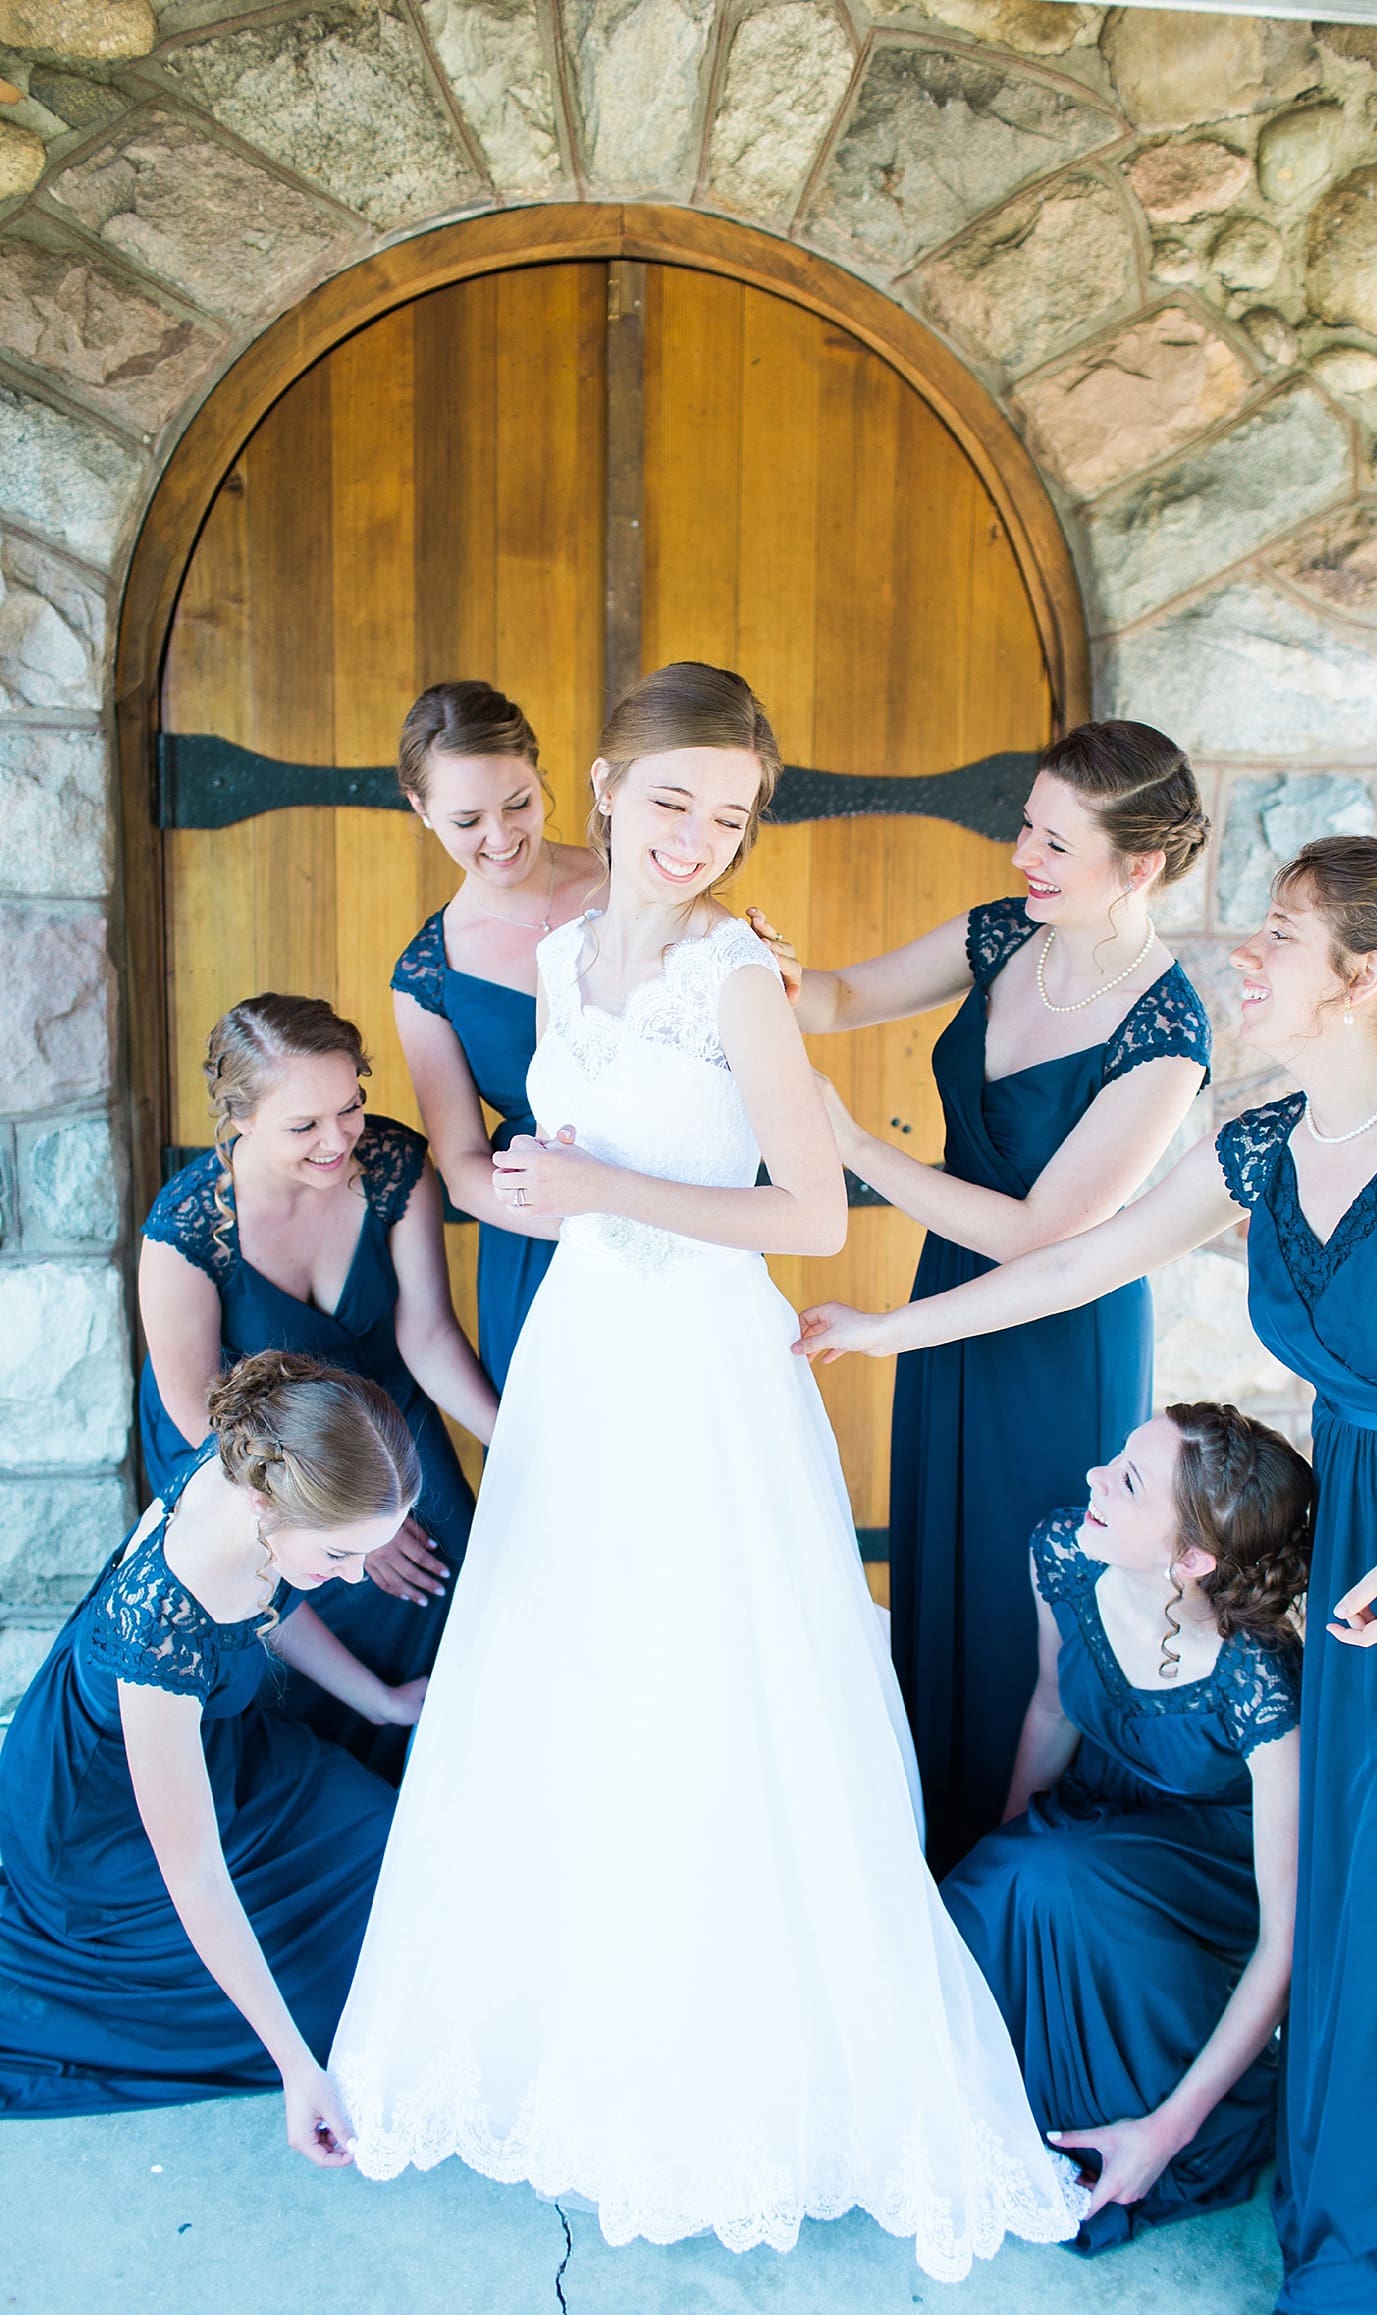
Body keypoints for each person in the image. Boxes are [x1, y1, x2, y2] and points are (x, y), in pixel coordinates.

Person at [329, 663, 1085, 2280]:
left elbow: (807, 1218)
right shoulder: (549, 954)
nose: (695, 838)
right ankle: (571, 2052)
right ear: (605, 783)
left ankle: (726, 2080)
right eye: (671, 800)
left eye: (729, 815)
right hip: (586, 1362)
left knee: (707, 1691)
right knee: (572, 1684)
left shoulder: (738, 973)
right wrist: (551, 1193)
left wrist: (599, 1186)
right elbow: (518, 1153)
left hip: (698, 1377)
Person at [798, 834, 1377, 2315]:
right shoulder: (1265, 1141)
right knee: (1343, 1885)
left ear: (1361, 981)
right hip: (1362, 1542)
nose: (1243, 957)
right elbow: (1075, 1260)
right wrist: (887, 1331)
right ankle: (1341, 2197)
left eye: (1278, 935)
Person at [753, 721, 1211, 1869]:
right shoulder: (1006, 933)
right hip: (944, 1302)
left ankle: (1003, 1862)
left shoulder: (1169, 1033)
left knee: (1029, 1601)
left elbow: (1041, 1232)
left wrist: (854, 1141)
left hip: (1057, 1327)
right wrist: (751, 958)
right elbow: (841, 993)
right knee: (941, 1569)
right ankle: (923, 1844)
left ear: (1140, 866)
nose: (1024, 857)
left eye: (1056, 842)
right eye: (1025, 827)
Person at [0, 1351, 422, 2152]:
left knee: (397, 1857)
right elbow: (191, 1874)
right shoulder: (158, 1627)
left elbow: (269, 1595)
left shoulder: (266, 1461)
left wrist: (378, 1698)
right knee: (336, 2003)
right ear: (265, 1507)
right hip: (104, 1827)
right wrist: (298, 2068)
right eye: (340, 1555)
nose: (360, 1578)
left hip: (217, 1750)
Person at [943, 1403, 1312, 2253]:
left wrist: (1168, 2131)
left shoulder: (1258, 1682)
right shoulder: (1063, 1551)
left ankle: (1155, 2121)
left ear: (1190, 1557)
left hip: (1206, 1869)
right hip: (1090, 1817)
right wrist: (997, 1865)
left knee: (1055, 1881)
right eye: (1117, 1458)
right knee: (992, 1896)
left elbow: (1285, 1944)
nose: (1092, 1479)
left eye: (1127, 1481)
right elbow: (1050, 1704)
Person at [138, 995, 499, 1777]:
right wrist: (346, 1517)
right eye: (303, 1125)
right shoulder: (184, 1232)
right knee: (311, 1613)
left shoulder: (395, 1164)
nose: (337, 1139)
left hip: (383, 1412)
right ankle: (318, 1809)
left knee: (452, 1576)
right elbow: (196, 1412)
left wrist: (518, 1444)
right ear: (237, 1116)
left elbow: (428, 1334)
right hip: (252, 1456)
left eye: (350, 1107)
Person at [392, 682, 598, 1392]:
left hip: (683, 1212)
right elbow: (461, 1162)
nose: (501, 836)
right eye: (466, 819)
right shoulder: (428, 975)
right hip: (542, 1245)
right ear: (420, 809)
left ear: (540, 778)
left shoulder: (636, 886)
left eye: (517, 803)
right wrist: (580, 1229)